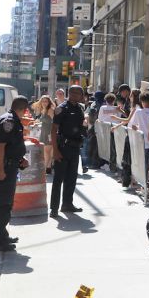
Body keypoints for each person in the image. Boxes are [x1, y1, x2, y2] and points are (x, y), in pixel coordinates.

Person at [0, 96, 30, 251]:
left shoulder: (12, 120)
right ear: (24, 109)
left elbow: (11, 147)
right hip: (4, 169)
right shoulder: (9, 122)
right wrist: (0, 170)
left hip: (10, 167)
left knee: (6, 203)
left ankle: (2, 234)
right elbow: (0, 148)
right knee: (2, 205)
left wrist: (21, 159)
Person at [50, 85, 88, 218]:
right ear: (71, 93)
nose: (80, 96)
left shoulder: (80, 108)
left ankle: (67, 204)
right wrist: (55, 151)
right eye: (78, 93)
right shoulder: (62, 109)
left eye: (81, 94)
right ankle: (54, 208)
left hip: (75, 147)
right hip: (63, 148)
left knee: (72, 178)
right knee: (58, 179)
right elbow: (53, 130)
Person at [127, 91, 149, 190]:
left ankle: (143, 184)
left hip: (142, 142)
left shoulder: (138, 112)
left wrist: (139, 128)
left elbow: (133, 125)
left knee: (143, 164)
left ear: (141, 101)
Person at [33, 95, 55, 174]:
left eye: (46, 101)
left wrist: (51, 134)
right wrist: (37, 122)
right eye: (43, 101)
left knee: (46, 151)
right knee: (47, 151)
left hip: (49, 132)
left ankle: (45, 168)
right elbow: (45, 120)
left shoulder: (50, 110)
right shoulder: (44, 110)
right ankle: (48, 168)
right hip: (44, 131)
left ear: (49, 102)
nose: (44, 103)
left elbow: (54, 121)